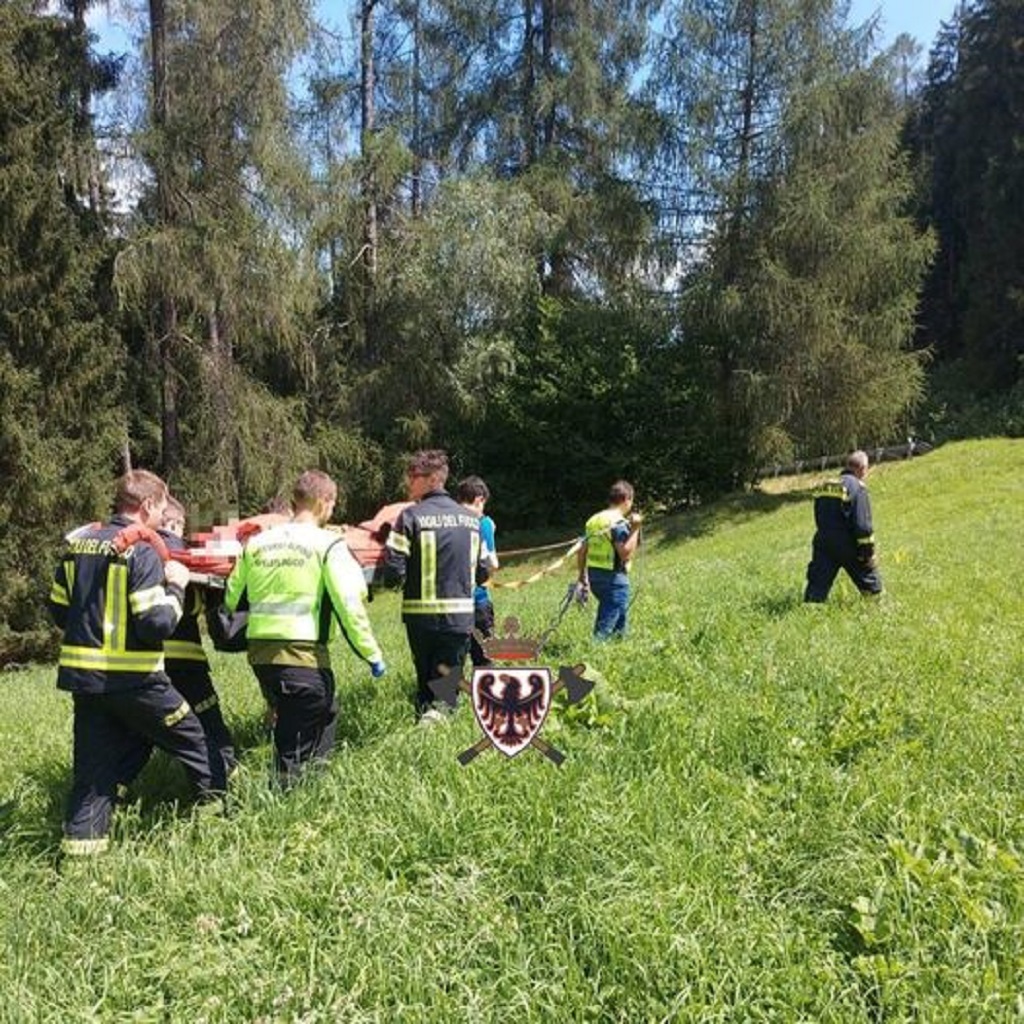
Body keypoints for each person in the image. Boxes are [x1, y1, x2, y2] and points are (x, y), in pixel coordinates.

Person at [47, 470, 225, 856]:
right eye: (161, 507)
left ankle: (81, 856)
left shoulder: (78, 545)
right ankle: (219, 818)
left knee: (93, 772)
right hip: (137, 681)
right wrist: (176, 584)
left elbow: (60, 612)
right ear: (147, 505)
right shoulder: (142, 549)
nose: (162, 517)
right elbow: (156, 624)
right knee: (194, 740)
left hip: (85, 682)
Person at [223, 470, 385, 784]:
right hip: (302, 656)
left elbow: (231, 597)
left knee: (323, 711)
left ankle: (312, 784)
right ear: (324, 501)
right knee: (298, 740)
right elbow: (349, 604)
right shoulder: (328, 545)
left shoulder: (257, 543)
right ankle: (286, 797)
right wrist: (372, 654)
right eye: (333, 504)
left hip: (260, 657)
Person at [384, 450, 487, 717]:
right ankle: (436, 725)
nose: (408, 482)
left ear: (432, 479)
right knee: (446, 690)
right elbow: (484, 572)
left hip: (421, 620)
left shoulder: (410, 517)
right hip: (460, 619)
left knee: (425, 686)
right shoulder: (473, 521)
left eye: (413, 476)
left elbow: (393, 571)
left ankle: (424, 723)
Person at [159, 497, 237, 778]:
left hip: (146, 660)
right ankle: (226, 772)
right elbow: (194, 607)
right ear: (174, 523)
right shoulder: (184, 554)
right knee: (207, 717)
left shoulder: (142, 550)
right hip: (185, 657)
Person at [804, 450, 883, 603]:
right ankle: (875, 607)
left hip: (823, 543)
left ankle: (810, 610)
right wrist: (868, 553)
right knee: (872, 588)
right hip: (848, 544)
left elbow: (819, 516)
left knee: (816, 589)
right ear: (862, 468)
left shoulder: (825, 486)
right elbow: (863, 526)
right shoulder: (857, 487)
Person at [577, 480, 642, 640]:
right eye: (631, 501)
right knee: (606, 623)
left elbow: (582, 550)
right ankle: (596, 648)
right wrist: (635, 529)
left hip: (595, 577)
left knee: (620, 616)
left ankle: (620, 645)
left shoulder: (593, 520)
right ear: (627, 499)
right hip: (614, 579)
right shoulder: (617, 522)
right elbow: (625, 554)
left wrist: (582, 575)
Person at [456, 476, 500, 666]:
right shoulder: (484, 523)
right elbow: (492, 563)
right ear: (479, 499)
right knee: (484, 657)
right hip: (477, 600)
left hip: (451, 603)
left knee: (453, 658)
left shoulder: (448, 522)